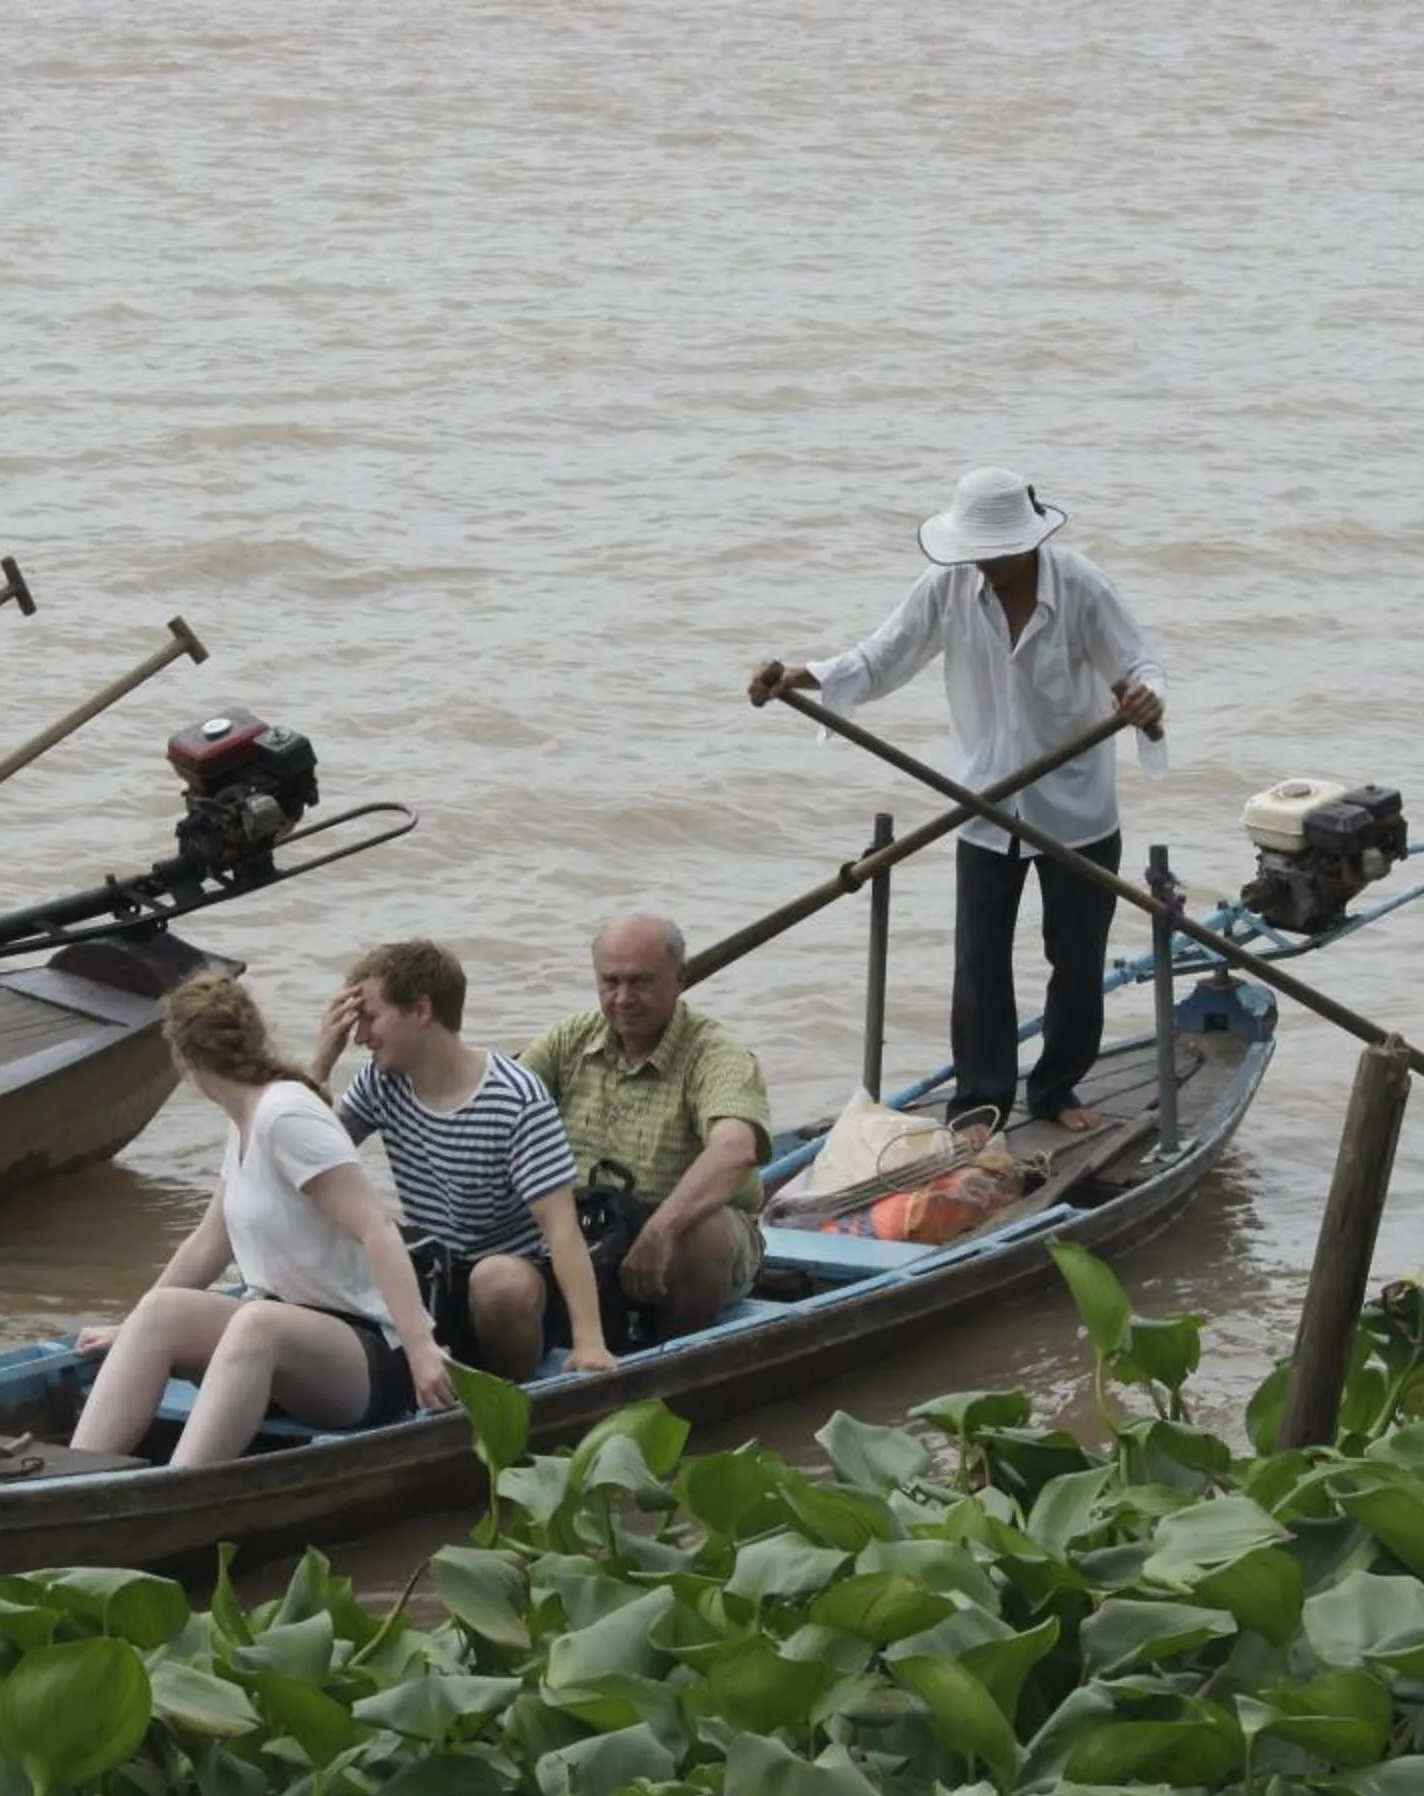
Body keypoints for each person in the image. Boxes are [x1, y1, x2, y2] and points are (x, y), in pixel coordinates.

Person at [749, 467, 1168, 1133]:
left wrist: (1145, 700)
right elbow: (881, 659)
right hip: (984, 805)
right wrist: (801, 678)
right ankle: (980, 1099)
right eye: (974, 551)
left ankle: (1058, 1088)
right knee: (979, 960)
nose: (983, 563)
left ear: (1027, 542)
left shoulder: (1083, 588)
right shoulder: (946, 587)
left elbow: (1140, 667)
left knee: (1077, 958)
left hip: (1076, 805)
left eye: (995, 551)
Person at [70, 971, 454, 1468]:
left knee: (257, 1321)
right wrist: (129, 1329)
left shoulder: (284, 1115)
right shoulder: (246, 1118)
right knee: (160, 1309)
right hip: (285, 1343)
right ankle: (73, 1477)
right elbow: (210, 1241)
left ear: (184, 1058)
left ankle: (181, 1486)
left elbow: (376, 1227)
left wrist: (421, 1348)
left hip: (368, 1358)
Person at [307, 939, 615, 1379]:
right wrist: (321, 1063)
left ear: (421, 1010)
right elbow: (305, 1157)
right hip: (436, 1273)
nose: (360, 1038)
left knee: (497, 1281)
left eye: (370, 1019)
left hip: (519, 1287)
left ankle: (512, 1392)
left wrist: (590, 1343)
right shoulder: (380, 1082)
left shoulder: (515, 1098)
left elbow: (561, 1227)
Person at [519, 914, 773, 1341]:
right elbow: (500, 1107)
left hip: (680, 1238)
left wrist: (660, 1230)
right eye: (610, 983)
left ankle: (674, 1357)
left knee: (704, 1234)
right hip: (588, 1229)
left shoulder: (716, 1053)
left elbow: (735, 1151)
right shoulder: (567, 1040)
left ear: (679, 979)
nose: (623, 999)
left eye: (640, 983)